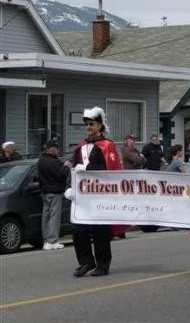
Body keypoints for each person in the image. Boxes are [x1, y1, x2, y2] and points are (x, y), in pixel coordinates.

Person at [64, 107, 124, 277]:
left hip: (100, 195)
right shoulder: (81, 146)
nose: (88, 127)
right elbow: (74, 169)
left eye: (91, 124)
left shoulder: (107, 146)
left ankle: (103, 265)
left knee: (100, 231)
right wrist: (70, 186)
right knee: (78, 230)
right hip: (82, 196)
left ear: (100, 125)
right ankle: (86, 262)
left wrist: (87, 169)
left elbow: (108, 171)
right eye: (87, 124)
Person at [37, 139, 71, 250]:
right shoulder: (53, 161)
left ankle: (46, 240)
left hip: (45, 192)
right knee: (54, 217)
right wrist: (66, 166)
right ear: (51, 149)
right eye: (56, 148)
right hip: (55, 191)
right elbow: (62, 175)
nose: (58, 150)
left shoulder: (41, 160)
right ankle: (53, 241)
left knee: (46, 216)